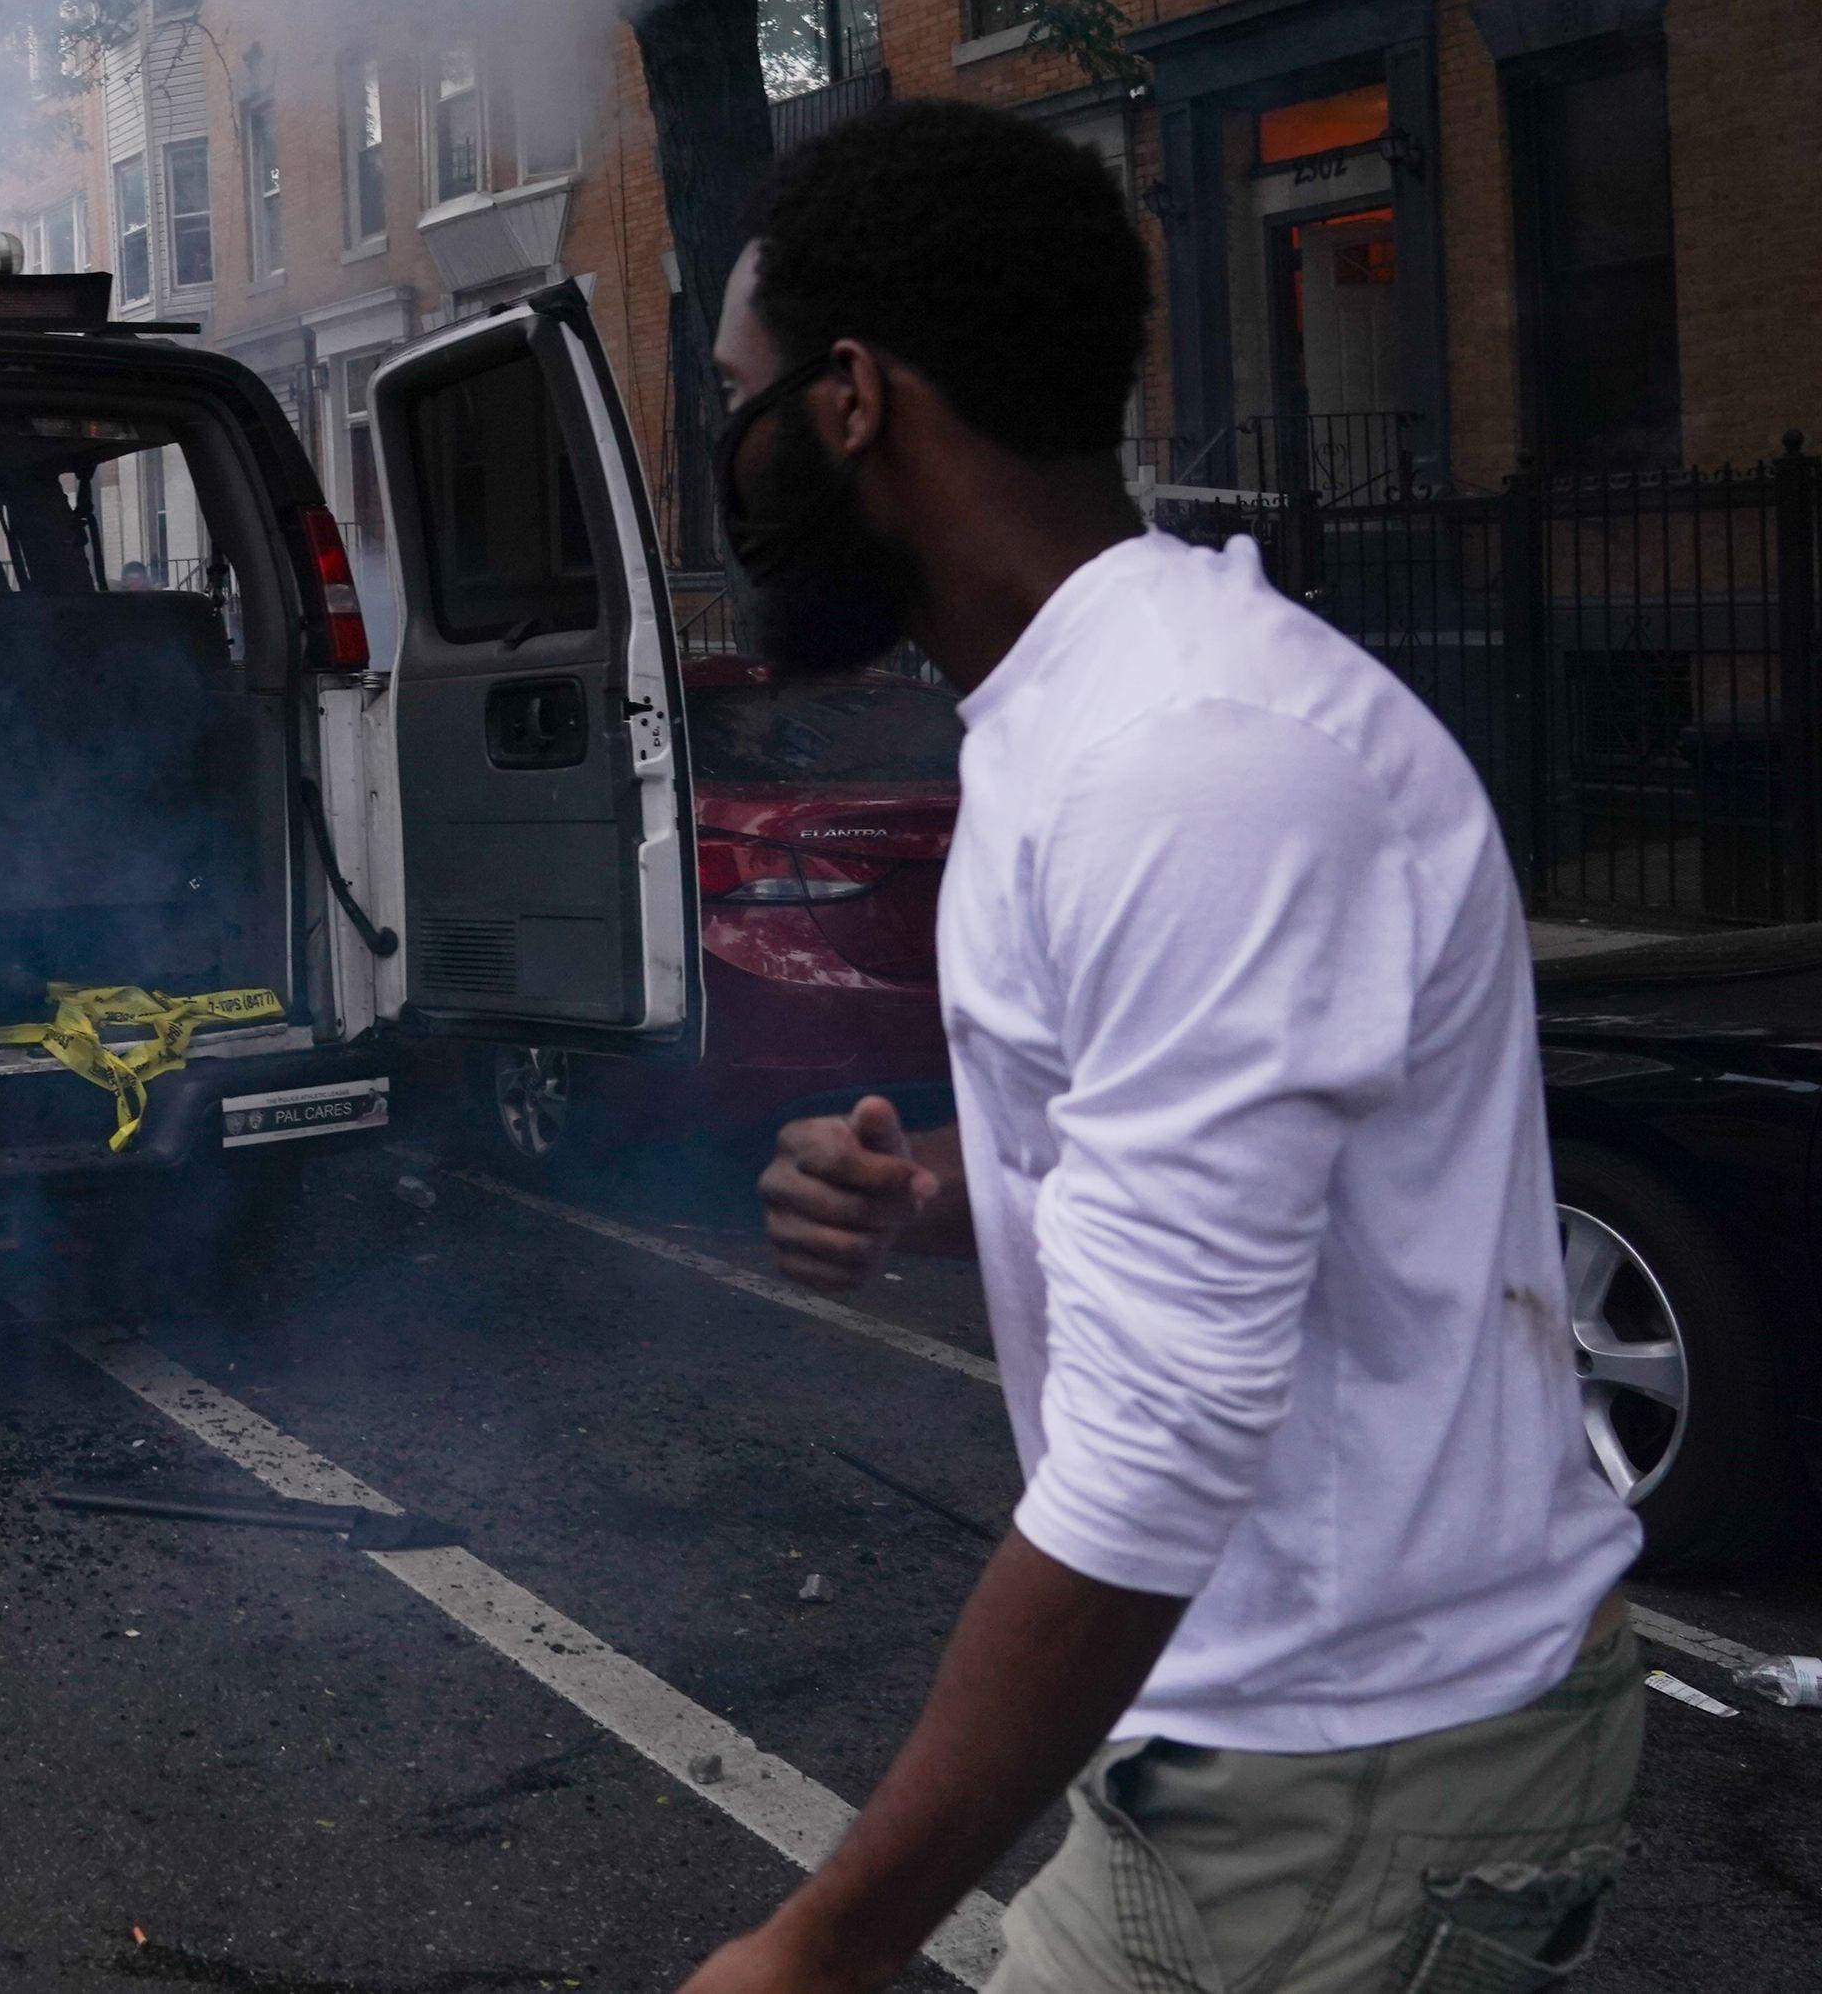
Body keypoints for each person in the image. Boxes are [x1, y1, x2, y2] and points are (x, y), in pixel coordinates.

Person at [685, 103, 1638, 1994]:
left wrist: (818, 1945)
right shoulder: (1080, 715)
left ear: (854, 398)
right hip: (1288, 1745)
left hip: (1353, 1782)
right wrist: (943, 1187)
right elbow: (1235, 1212)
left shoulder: (1193, 763)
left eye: (741, 400)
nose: (727, 464)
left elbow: (1158, 1446)